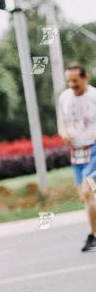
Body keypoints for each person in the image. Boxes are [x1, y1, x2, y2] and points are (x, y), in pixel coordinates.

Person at [58, 63, 96, 252]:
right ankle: (93, 234)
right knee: (85, 196)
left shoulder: (94, 96)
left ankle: (92, 235)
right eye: (69, 81)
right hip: (76, 152)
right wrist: (64, 133)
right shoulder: (64, 97)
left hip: (94, 149)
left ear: (85, 78)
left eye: (76, 80)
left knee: (89, 192)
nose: (72, 84)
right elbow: (63, 121)